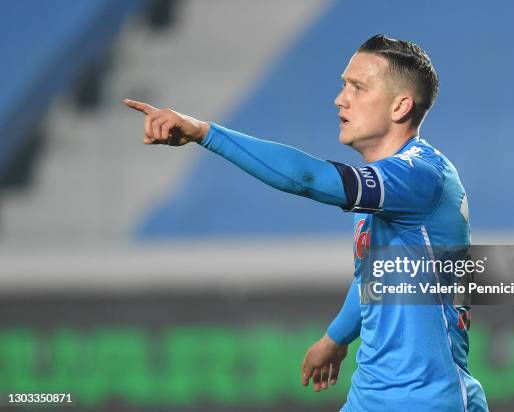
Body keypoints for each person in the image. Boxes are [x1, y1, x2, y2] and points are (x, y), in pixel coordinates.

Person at [125, 34, 488, 412]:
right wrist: (335, 339)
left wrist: (205, 133)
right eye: (344, 85)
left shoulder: (421, 176)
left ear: (400, 106)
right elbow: (379, 275)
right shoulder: (386, 184)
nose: (340, 98)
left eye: (358, 88)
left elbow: (307, 178)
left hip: (427, 401)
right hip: (371, 397)